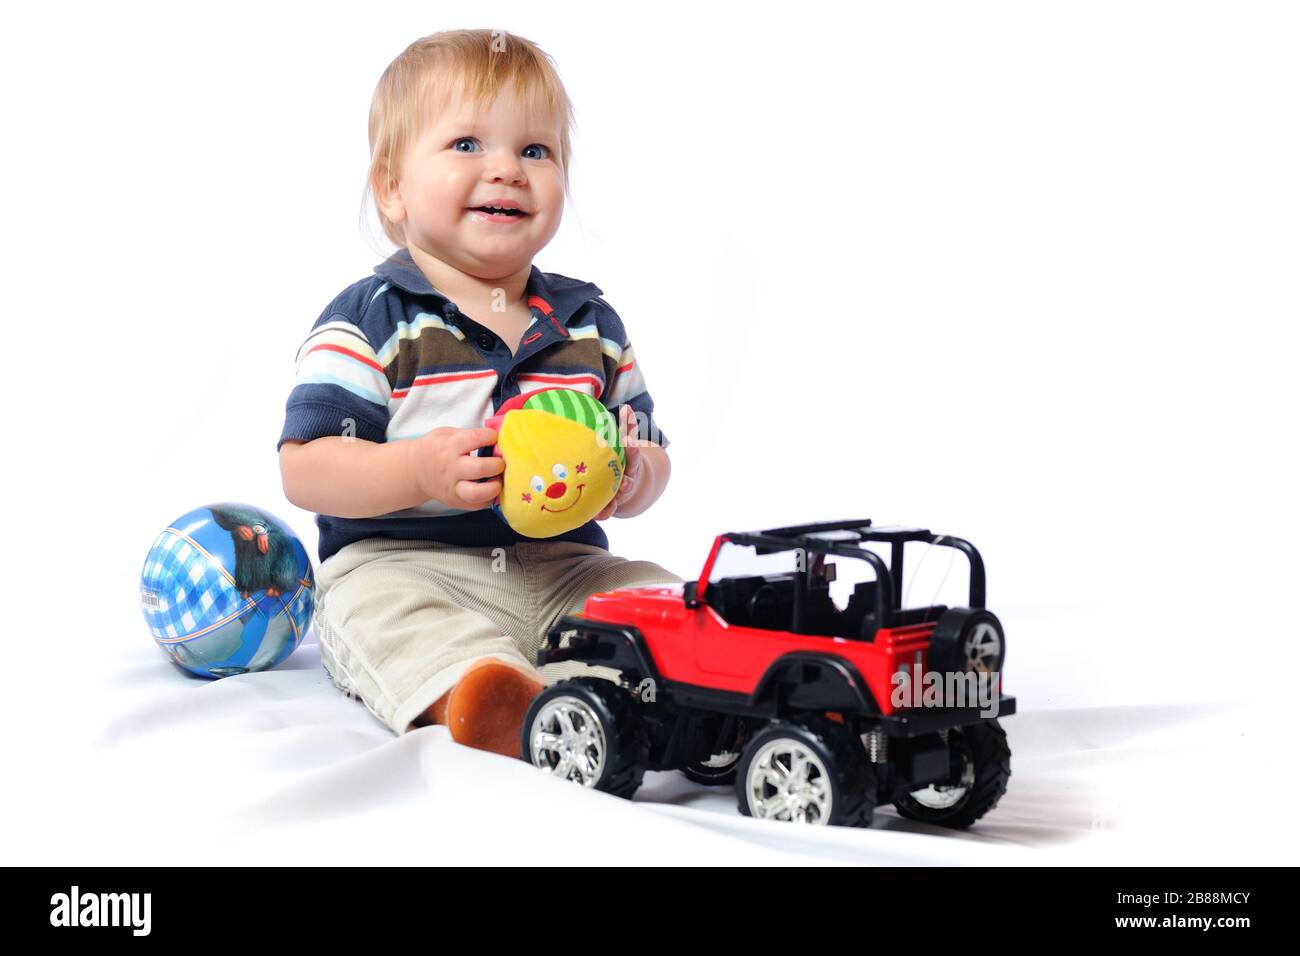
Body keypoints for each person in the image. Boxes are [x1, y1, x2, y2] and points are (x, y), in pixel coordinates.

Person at [278, 29, 681, 756]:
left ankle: (636, 689)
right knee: (384, 617)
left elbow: (651, 449)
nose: (507, 170)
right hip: (404, 566)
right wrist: (417, 470)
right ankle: (483, 695)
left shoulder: (590, 325)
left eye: (536, 151)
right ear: (393, 187)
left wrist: (635, 474)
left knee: (658, 597)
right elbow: (305, 468)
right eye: (467, 144)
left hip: (565, 565)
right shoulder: (372, 320)